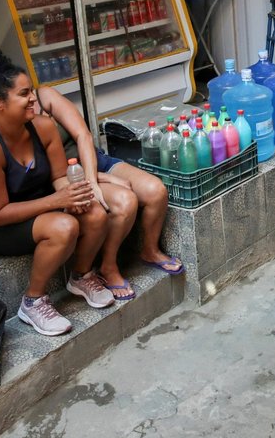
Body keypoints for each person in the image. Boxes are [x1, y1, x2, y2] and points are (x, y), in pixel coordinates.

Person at [0, 50, 115, 336]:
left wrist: (72, 196)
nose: (34, 99)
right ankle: (32, 302)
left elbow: (59, 177)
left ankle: (81, 275)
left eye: (32, 91)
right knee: (64, 226)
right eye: (24, 94)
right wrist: (58, 202)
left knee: (95, 212)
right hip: (7, 224)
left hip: (46, 207)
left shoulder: (43, 127)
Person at [32, 83, 183, 301]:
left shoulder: (43, 95)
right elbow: (50, 176)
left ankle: (150, 250)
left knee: (156, 191)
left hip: (94, 161)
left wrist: (94, 178)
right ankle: (108, 266)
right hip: (69, 178)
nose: (29, 96)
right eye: (22, 92)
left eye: (28, 89)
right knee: (125, 201)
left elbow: (83, 135)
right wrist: (101, 179)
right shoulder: (14, 126)